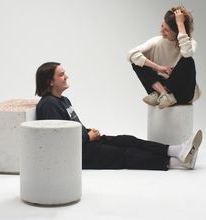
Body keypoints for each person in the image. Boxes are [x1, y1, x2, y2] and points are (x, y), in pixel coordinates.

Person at [35, 62, 203, 170]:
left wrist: (88, 131)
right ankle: (179, 162)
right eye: (61, 74)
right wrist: (87, 137)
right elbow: (59, 141)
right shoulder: (49, 105)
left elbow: (71, 126)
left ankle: (177, 150)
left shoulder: (62, 100)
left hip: (85, 143)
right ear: (50, 82)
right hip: (79, 154)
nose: (66, 76)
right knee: (126, 154)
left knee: (126, 140)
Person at [128, 5, 200, 109]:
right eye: (162, 26)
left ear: (177, 32)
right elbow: (131, 54)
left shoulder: (190, 43)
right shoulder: (156, 42)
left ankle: (162, 94)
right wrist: (158, 67)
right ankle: (163, 94)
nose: (161, 31)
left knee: (188, 61)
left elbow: (187, 54)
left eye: (166, 30)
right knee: (136, 62)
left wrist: (180, 23)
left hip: (182, 93)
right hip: (160, 89)